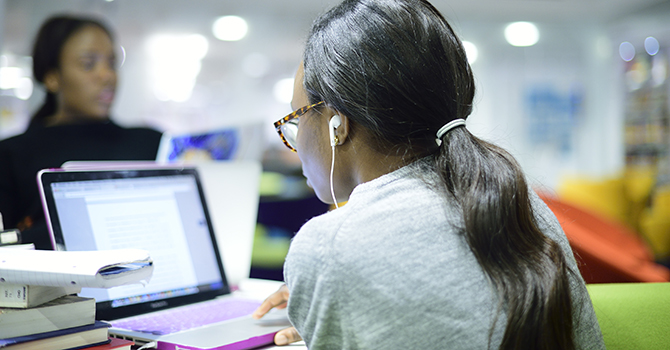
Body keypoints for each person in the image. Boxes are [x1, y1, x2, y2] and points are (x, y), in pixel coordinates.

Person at [252, 0, 605, 349]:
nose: (295, 137)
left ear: (337, 124)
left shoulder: (327, 247)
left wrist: (328, 279)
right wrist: (336, 305)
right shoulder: (518, 199)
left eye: (296, 117)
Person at [0, 15, 161, 250]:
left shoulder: (150, 142)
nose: (107, 76)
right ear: (52, 76)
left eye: (112, 63)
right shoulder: (12, 155)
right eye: (89, 64)